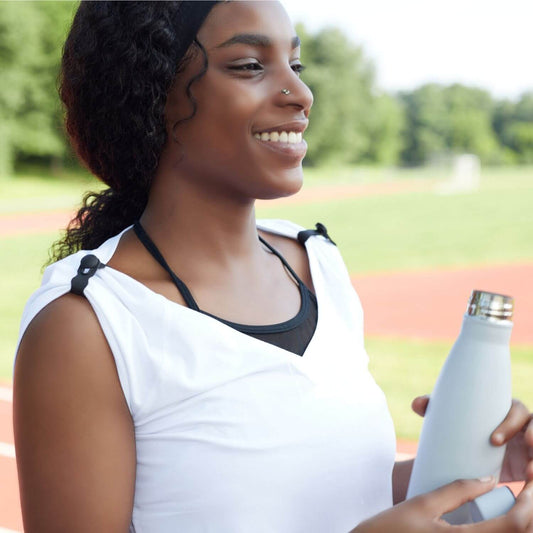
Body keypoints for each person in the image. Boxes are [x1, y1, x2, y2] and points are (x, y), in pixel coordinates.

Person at [13, 2, 533, 532]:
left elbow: (319, 489)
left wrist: (475, 469)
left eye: (296, 66)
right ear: (151, 90)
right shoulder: (88, 323)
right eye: (249, 65)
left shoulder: (318, 263)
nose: (300, 94)